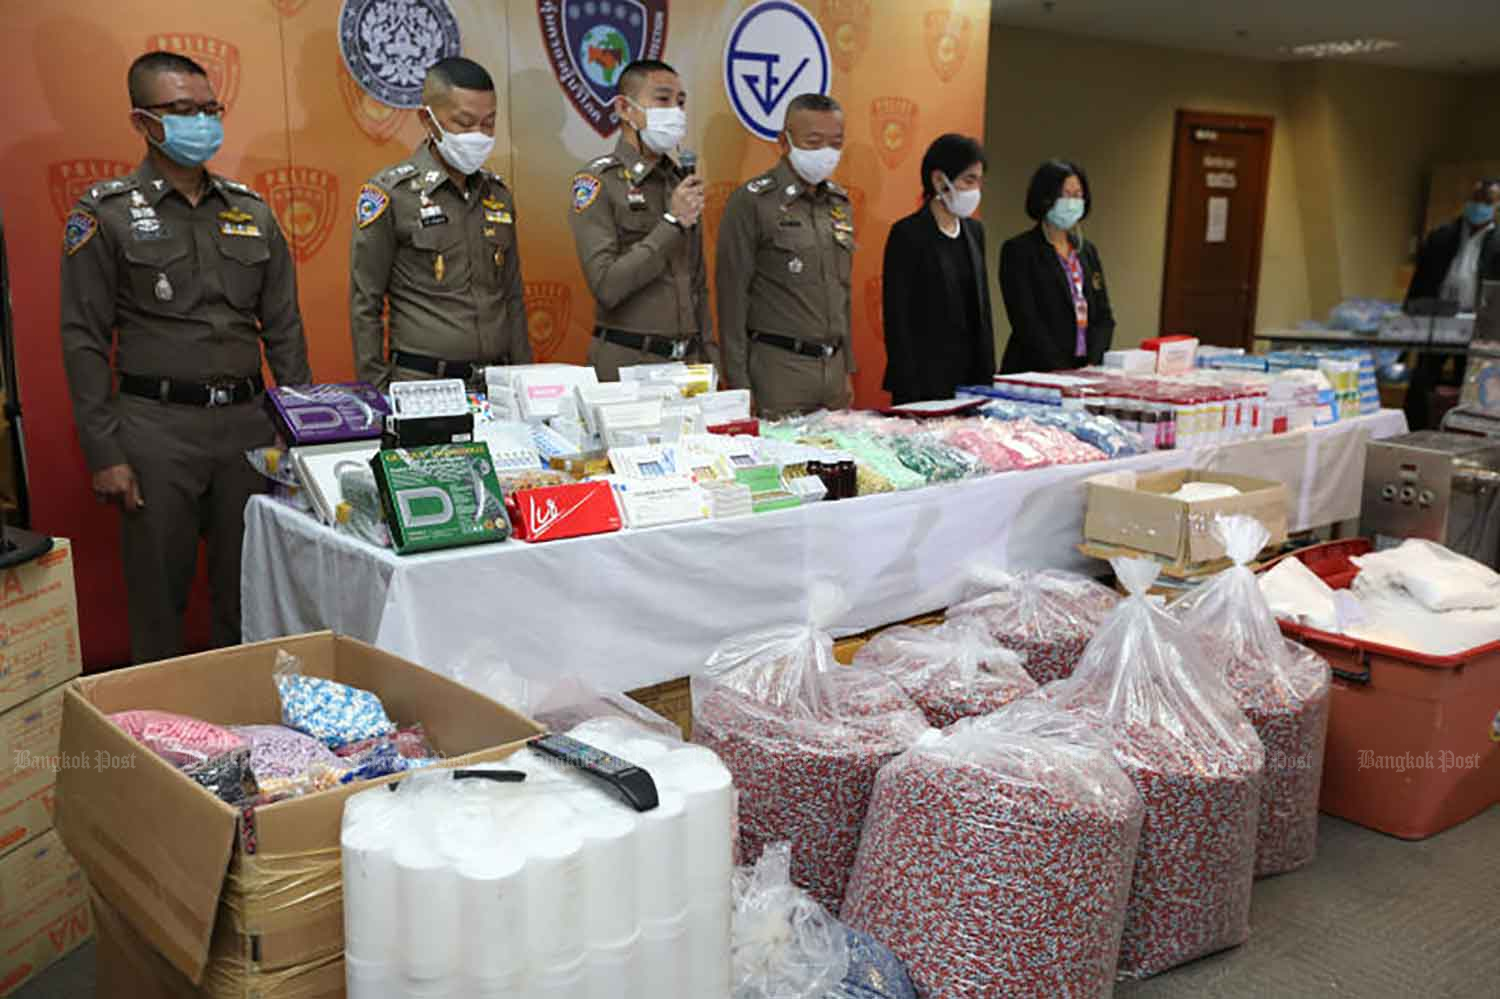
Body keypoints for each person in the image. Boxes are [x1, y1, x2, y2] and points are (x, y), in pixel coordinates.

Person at [59, 51, 311, 664]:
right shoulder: (106, 214)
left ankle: (248, 728)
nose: (201, 122)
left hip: (249, 428)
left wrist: (307, 433)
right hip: (156, 431)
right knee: (158, 597)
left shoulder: (251, 212)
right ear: (143, 122)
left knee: (248, 592)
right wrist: (105, 452)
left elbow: (284, 330)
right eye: (182, 111)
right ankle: (163, 742)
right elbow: (83, 337)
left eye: (209, 109)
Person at [350, 58, 528, 390]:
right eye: (464, 122)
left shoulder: (498, 195)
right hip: (424, 383)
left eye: (488, 123)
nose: (479, 135)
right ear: (427, 120)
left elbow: (513, 296)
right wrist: (377, 389)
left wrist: (523, 381)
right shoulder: (392, 194)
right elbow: (366, 304)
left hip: (497, 384)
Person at [569, 59, 711, 381]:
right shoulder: (598, 181)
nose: (675, 112)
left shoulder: (680, 181)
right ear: (624, 108)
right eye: (662, 100)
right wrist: (671, 222)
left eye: (681, 102)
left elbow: (698, 285)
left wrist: (708, 358)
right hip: (629, 364)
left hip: (688, 365)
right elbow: (607, 286)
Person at [717, 94, 856, 417]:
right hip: (779, 371)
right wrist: (739, 385)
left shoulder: (839, 203)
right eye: (813, 142)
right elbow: (732, 298)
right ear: (784, 141)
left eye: (836, 143)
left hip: (833, 373)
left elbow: (842, 292)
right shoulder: (753, 201)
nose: (826, 152)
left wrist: (846, 367)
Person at [881, 134, 994, 404]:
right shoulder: (908, 233)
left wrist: (987, 379)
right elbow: (897, 318)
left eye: (978, 181)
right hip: (922, 383)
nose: (975, 190)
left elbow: (983, 310)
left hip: (970, 381)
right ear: (938, 180)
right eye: (968, 180)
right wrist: (911, 390)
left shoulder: (975, 232)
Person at [999, 159, 1114, 373]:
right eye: (1065, 194)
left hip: (1083, 370)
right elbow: (1026, 321)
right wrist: (1060, 370)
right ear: (1045, 198)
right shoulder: (1019, 250)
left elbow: (1104, 316)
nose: (1072, 202)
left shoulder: (1086, 251)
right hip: (1036, 370)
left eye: (1078, 195)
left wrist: (1092, 363)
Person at [1403, 178, 1500, 429]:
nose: (1479, 206)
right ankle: (1414, 428)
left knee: (1468, 382)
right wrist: (1408, 318)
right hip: (1439, 319)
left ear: (1496, 206)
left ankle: (1461, 431)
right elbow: (1420, 281)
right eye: (1476, 199)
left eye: (1487, 201)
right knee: (1423, 378)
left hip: (1478, 324)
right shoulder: (1442, 236)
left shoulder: (1498, 243)